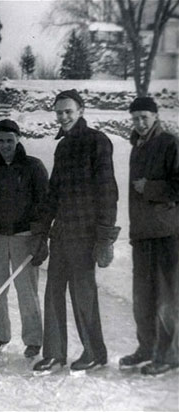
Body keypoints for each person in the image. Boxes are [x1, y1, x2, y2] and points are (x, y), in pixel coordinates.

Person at [32, 89, 120, 374]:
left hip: (86, 234)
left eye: (68, 111)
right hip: (62, 233)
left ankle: (94, 352)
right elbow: (53, 194)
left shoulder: (97, 142)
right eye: (59, 112)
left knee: (83, 295)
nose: (63, 117)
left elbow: (108, 192)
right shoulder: (63, 146)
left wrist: (105, 237)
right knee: (53, 292)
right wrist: (42, 230)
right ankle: (55, 353)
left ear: (81, 110)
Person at [0, 119, 48, 357]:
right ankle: (1, 335)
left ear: (18, 139)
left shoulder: (33, 167)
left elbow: (43, 204)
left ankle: (33, 339)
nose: (5, 145)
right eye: (0, 140)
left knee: (26, 290)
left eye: (9, 140)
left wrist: (40, 236)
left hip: (23, 236)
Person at [119, 97, 179, 376]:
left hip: (167, 233)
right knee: (142, 296)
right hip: (142, 234)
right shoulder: (137, 147)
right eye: (135, 118)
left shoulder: (170, 142)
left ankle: (168, 355)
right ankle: (146, 348)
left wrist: (151, 188)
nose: (139, 123)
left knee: (166, 297)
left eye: (144, 117)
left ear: (156, 116)